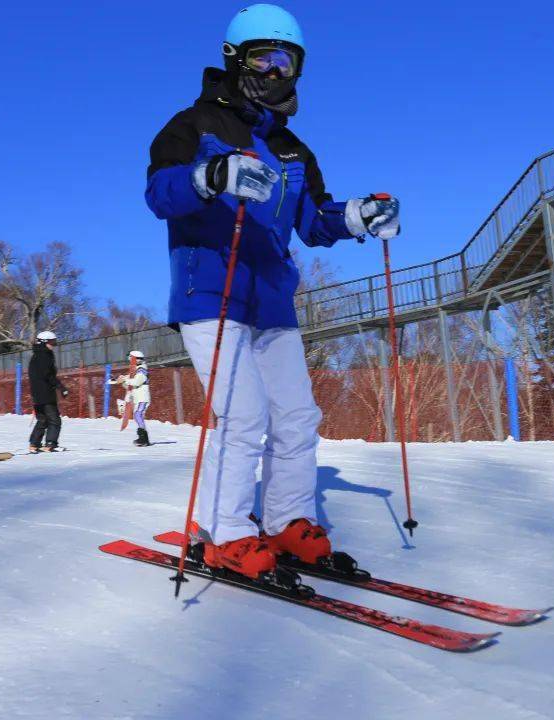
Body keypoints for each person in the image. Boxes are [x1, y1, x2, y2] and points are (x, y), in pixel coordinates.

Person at [144, 4, 400, 579]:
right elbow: (160, 192)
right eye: (266, 58)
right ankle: (224, 530)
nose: (277, 71)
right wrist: (210, 177)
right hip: (210, 294)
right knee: (242, 415)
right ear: (236, 60)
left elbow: (313, 221)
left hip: (273, 302)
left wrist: (358, 216)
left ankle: (287, 520)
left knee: (296, 416)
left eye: (288, 60)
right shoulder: (193, 126)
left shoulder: (292, 149)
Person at [28, 330, 69, 452]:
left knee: (43, 419)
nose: (53, 345)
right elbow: (48, 375)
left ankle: (34, 444)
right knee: (54, 419)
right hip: (46, 394)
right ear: (44, 342)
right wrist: (60, 387)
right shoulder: (45, 355)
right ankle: (51, 444)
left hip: (37, 394)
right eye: (52, 342)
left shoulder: (35, 355)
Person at [109, 351, 152, 446]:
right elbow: (129, 385)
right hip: (138, 398)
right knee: (137, 416)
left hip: (143, 398)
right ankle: (144, 438)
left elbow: (137, 382)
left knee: (138, 414)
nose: (130, 361)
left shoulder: (142, 370)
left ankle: (144, 439)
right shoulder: (136, 370)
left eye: (131, 359)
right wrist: (118, 381)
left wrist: (125, 380)